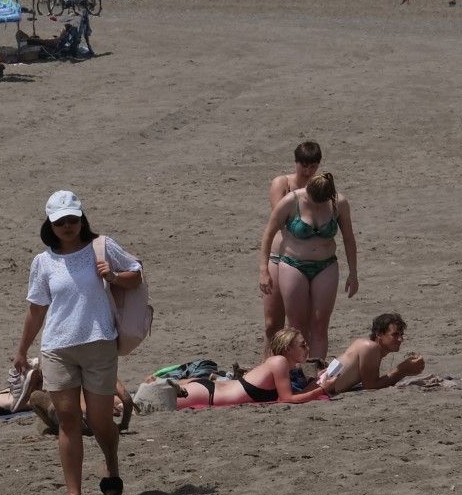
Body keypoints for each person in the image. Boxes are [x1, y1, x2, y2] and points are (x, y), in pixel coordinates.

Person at [13, 189, 141, 495]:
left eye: (73, 219)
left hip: (99, 343)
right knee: (68, 420)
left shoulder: (102, 246)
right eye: (60, 222)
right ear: (50, 225)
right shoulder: (43, 262)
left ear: (82, 218)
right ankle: (74, 493)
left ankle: (111, 463)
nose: (68, 226)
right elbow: (37, 309)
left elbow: (135, 274)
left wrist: (112, 275)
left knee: (99, 420)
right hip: (57, 348)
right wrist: (22, 349)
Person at [259, 169, 356, 361]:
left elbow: (348, 238)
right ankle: (296, 369)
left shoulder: (339, 204)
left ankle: (314, 372)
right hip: (294, 264)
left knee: (320, 324)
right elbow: (268, 234)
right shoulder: (291, 201)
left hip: (326, 265)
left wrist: (353, 273)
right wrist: (264, 270)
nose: (314, 205)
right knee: (297, 325)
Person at [168, 328, 333, 408]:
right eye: (302, 345)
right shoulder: (279, 362)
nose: (307, 348)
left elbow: (295, 393)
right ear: (288, 349)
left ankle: (161, 383)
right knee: (152, 404)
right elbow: (287, 399)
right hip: (207, 395)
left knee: (155, 397)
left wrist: (318, 381)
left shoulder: (279, 364)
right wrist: (321, 390)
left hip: (208, 388)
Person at [260, 140, 321, 354]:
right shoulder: (282, 183)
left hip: (305, 260)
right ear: (296, 163)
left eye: (312, 166)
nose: (307, 171)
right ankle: (268, 366)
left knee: (300, 324)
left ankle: (298, 368)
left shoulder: (319, 187)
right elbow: (281, 219)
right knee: (272, 324)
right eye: (303, 165)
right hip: (279, 256)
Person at [318, 312, 426, 394]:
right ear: (379, 334)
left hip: (318, 385)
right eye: (395, 335)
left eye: (401, 335)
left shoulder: (368, 346)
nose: (400, 339)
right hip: (316, 388)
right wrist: (401, 370)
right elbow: (371, 386)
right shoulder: (370, 347)